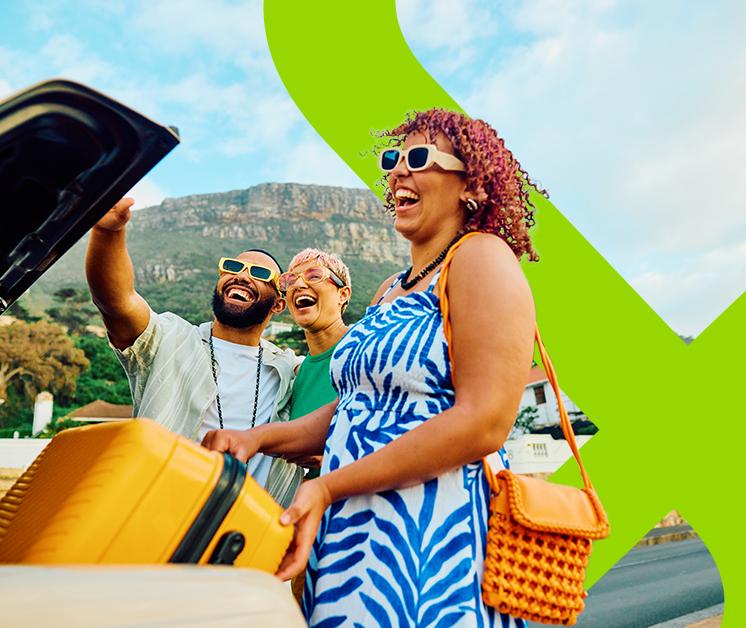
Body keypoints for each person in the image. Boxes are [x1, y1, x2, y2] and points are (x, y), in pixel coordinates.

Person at [202, 109, 539, 626]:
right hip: (352, 534)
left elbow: (485, 422)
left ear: (470, 183)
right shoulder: (391, 289)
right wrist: (258, 439)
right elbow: (354, 408)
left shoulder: (481, 258)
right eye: (393, 160)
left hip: (431, 537)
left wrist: (330, 486)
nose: (398, 172)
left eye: (419, 158)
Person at [85, 198, 303, 507]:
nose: (241, 275)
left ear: (279, 304)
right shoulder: (169, 337)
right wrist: (109, 232)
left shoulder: (288, 369)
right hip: (152, 514)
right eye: (232, 267)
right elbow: (117, 301)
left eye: (258, 273)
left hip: (248, 537)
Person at [279, 248, 351, 603]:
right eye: (290, 281)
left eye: (314, 276)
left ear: (343, 294)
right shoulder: (298, 374)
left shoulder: (367, 351)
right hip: (310, 532)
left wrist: (333, 460)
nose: (298, 286)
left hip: (363, 521)